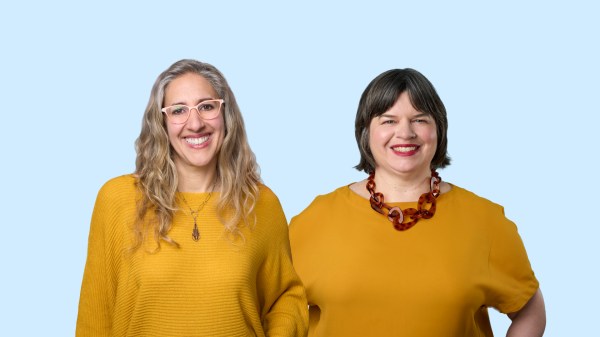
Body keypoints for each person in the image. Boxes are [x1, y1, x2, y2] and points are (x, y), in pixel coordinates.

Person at [289, 68, 545, 336]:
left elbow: (529, 309)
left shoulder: (485, 221)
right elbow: (274, 310)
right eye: (388, 121)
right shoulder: (315, 220)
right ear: (366, 131)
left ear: (438, 129)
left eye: (420, 120)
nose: (405, 133)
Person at [76, 59, 308, 337]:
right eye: (178, 110)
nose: (195, 123)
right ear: (161, 123)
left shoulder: (260, 202)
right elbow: (95, 315)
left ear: (225, 114)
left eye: (207, 106)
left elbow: (286, 298)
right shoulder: (118, 200)